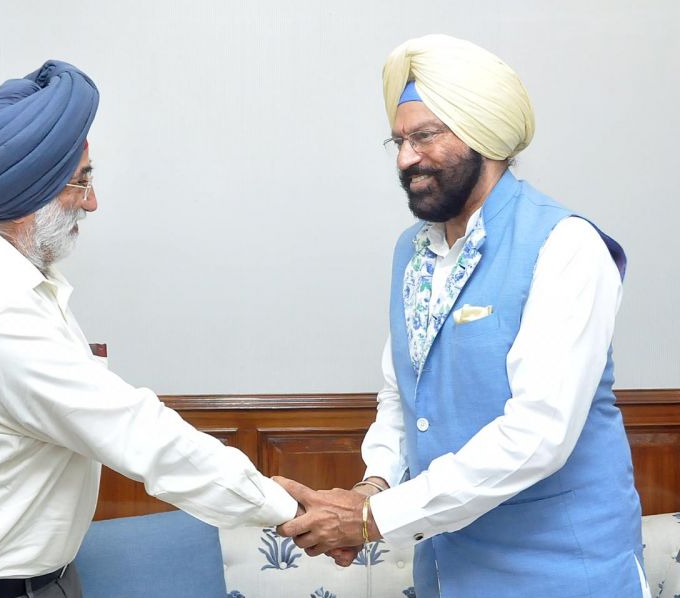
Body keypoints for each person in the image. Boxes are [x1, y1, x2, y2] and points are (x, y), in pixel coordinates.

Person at [0, 60, 296, 598]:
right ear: (28, 197)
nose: (93, 202)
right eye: (82, 182)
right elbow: (137, 432)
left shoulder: (13, 277)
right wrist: (286, 507)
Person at [275, 34, 647, 597]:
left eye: (425, 136)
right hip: (450, 576)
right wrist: (374, 486)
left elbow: (539, 434)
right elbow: (402, 396)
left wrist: (375, 519)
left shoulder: (566, 245)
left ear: (484, 136)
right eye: (398, 140)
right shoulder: (411, 251)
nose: (405, 159)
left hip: (566, 575)